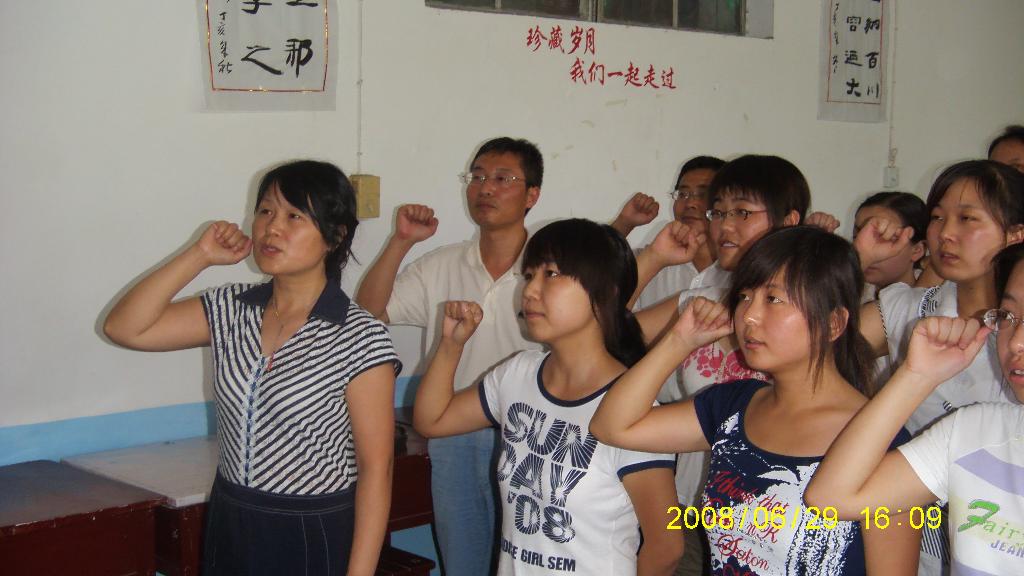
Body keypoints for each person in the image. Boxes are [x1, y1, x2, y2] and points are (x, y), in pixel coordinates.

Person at [103, 160, 399, 576]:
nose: (271, 228)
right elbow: (124, 328)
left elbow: (376, 470)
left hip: (311, 525)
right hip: (232, 515)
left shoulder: (360, 337)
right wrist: (200, 255)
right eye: (265, 211)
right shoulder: (230, 307)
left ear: (335, 235)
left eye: (294, 216)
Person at [591, 226, 921, 575]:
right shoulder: (734, 406)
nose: (748, 315)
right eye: (745, 296)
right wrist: (679, 340)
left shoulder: (881, 443)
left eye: (773, 299)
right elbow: (612, 426)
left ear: (833, 323)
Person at [413, 219, 682, 575]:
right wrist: (451, 345)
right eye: (529, 275)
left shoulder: (634, 409)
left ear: (606, 293)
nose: (530, 290)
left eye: (551, 274)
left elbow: (667, 546)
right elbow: (432, 421)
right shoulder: (518, 374)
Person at [355, 137, 543, 575]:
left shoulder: (550, 269)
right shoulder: (441, 264)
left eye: (503, 178)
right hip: (452, 434)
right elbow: (367, 313)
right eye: (476, 177)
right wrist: (401, 241)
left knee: (528, 563)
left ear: (532, 195)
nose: (485, 188)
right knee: (463, 563)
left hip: (531, 437)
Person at [806, 242, 1024, 576]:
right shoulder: (977, 430)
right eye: (1009, 316)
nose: (1016, 340)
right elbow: (831, 498)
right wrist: (917, 376)